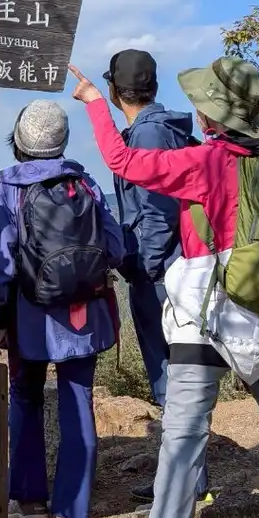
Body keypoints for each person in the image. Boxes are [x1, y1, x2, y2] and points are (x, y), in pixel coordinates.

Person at [70, 57, 259, 518]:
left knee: (182, 436)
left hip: (207, 315)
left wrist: (94, 105)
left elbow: (123, 161)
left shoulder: (206, 162)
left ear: (214, 113)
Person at [0, 99, 124, 518]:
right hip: (85, 318)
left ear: (20, 140)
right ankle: (73, 510)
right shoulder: (84, 183)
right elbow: (116, 247)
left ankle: (29, 504)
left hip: (29, 318)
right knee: (78, 402)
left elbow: (0, 264)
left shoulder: (8, 188)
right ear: (62, 141)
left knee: (25, 398)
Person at [105, 49, 193, 408]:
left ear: (114, 91)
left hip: (160, 271)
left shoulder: (148, 134)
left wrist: (147, 266)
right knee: (181, 373)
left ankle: (182, 458)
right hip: (171, 265)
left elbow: (158, 209)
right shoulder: (161, 128)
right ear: (154, 87)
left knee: (168, 376)